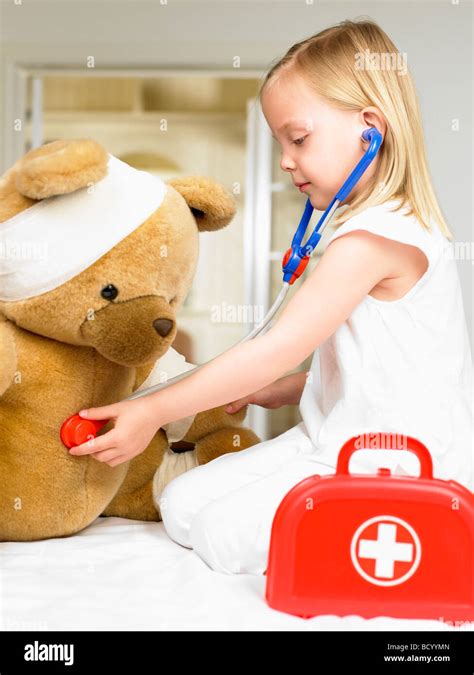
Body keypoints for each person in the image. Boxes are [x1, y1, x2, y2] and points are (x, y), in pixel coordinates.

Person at [70, 19, 473, 574]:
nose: (285, 159)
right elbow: (397, 369)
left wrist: (150, 411)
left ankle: (411, 541)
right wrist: (290, 388)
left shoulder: (370, 243)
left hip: (395, 465)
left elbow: (274, 345)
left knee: (215, 534)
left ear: (370, 129)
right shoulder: (379, 228)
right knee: (181, 505)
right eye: (281, 141)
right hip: (330, 439)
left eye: (298, 138)